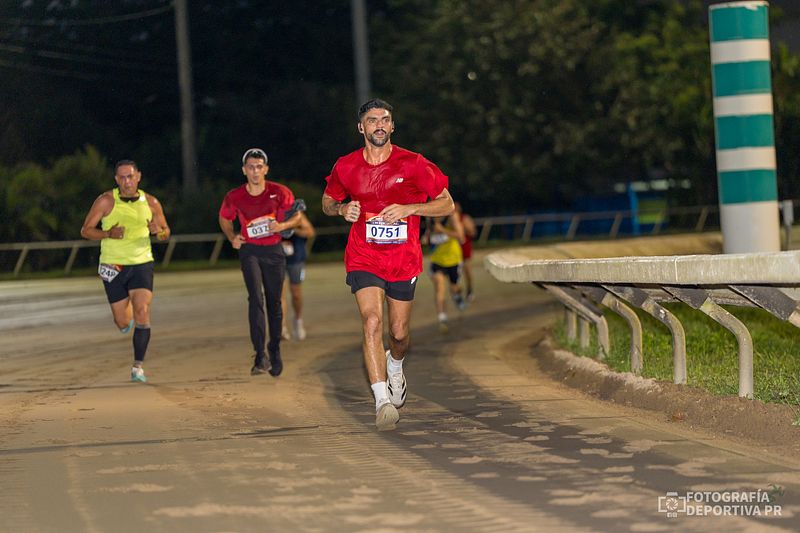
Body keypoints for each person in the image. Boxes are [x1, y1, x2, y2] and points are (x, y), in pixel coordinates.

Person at [322, 98, 456, 431]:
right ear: (361, 127)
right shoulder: (346, 166)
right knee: (371, 322)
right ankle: (382, 401)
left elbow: (447, 204)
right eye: (372, 120)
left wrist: (411, 209)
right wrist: (341, 210)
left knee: (398, 334)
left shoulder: (413, 164)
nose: (379, 125)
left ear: (392, 126)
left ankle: (395, 364)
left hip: (403, 259)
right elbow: (328, 200)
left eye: (385, 120)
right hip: (363, 255)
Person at [80, 159, 170, 383]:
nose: (126, 181)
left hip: (142, 263)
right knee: (122, 321)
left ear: (138, 176)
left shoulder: (151, 202)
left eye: (130, 176)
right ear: (116, 179)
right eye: (122, 177)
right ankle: (126, 318)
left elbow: (165, 232)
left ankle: (138, 366)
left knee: (142, 310)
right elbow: (86, 230)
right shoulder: (105, 201)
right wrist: (108, 233)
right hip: (113, 265)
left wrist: (158, 231)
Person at [219, 148, 301, 377]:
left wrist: (282, 226)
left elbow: (296, 216)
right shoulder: (234, 196)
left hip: (274, 251)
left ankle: (274, 348)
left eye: (259, 167)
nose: (255, 171)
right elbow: (224, 218)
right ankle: (259, 354)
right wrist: (232, 236)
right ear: (244, 170)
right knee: (255, 297)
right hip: (250, 251)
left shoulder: (279, 192)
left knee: (274, 303)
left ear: (265, 169)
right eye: (250, 167)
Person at [425, 213, 466, 333]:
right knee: (439, 287)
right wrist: (426, 238)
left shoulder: (451, 217)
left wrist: (442, 230)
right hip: (437, 260)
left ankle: (457, 295)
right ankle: (442, 318)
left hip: (453, 260)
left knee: (454, 288)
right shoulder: (430, 219)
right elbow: (428, 237)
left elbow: (461, 237)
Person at [281, 210, 315, 340]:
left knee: (296, 293)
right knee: (279, 294)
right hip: (278, 259)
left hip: (296, 260)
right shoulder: (271, 213)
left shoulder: (296, 214)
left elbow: (310, 232)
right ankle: (282, 327)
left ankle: (297, 320)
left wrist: (293, 229)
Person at [455, 202, 477, 301]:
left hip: (464, 247)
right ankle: (457, 292)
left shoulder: (464, 218)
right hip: (453, 249)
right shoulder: (449, 219)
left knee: (467, 270)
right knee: (456, 273)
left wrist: (464, 228)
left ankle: (470, 290)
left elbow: (473, 233)